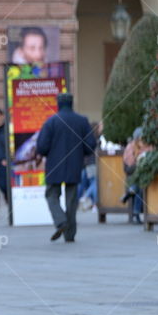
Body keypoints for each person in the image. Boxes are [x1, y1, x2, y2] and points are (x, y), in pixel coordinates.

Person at [36, 93, 96, 242]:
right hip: (75, 165)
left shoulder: (51, 122)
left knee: (51, 195)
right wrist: (82, 152)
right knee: (71, 200)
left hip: (54, 166)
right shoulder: (82, 121)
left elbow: (42, 147)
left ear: (58, 104)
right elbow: (90, 145)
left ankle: (60, 221)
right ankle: (70, 234)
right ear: (71, 103)